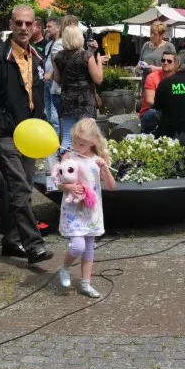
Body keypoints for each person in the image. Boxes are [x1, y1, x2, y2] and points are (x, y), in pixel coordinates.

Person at [0, 6, 53, 264]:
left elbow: (37, 97)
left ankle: (11, 241)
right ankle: (34, 246)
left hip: (30, 134)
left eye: (28, 24)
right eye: (19, 23)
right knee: (18, 186)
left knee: (26, 189)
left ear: (35, 26)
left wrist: (41, 126)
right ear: (11, 24)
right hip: (4, 134)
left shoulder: (37, 58)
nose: (23, 28)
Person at [51, 118, 116, 298]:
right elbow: (55, 181)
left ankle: (86, 283)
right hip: (73, 210)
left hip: (91, 211)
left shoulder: (97, 160)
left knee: (89, 247)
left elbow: (111, 186)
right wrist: (68, 187)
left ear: (92, 142)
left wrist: (105, 169)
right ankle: (64, 268)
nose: (77, 147)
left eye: (82, 144)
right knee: (77, 246)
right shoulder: (69, 157)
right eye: (75, 142)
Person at [53, 24, 105, 151]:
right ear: (79, 38)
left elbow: (57, 79)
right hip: (85, 101)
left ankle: (65, 166)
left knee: (66, 137)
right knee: (86, 136)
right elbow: (98, 79)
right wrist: (99, 62)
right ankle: (84, 165)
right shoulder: (86, 56)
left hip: (67, 99)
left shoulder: (57, 56)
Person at [140, 46, 178, 133]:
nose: (165, 63)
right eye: (163, 60)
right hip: (151, 113)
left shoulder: (178, 78)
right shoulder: (152, 77)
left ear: (175, 63)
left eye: (169, 61)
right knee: (154, 112)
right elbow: (149, 102)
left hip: (170, 112)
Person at [42, 18, 63, 136]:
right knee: (48, 113)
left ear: (58, 28)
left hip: (55, 83)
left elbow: (63, 65)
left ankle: (57, 145)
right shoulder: (49, 44)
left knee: (55, 115)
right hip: (46, 82)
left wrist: (52, 74)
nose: (46, 29)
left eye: (49, 27)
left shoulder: (63, 44)